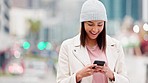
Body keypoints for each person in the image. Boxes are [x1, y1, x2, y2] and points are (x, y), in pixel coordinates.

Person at [57, 0, 129, 83]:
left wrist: (111, 75)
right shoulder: (67, 46)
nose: (95, 29)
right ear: (83, 23)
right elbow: (60, 81)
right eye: (90, 24)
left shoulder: (116, 46)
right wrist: (79, 75)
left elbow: (125, 80)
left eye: (100, 24)